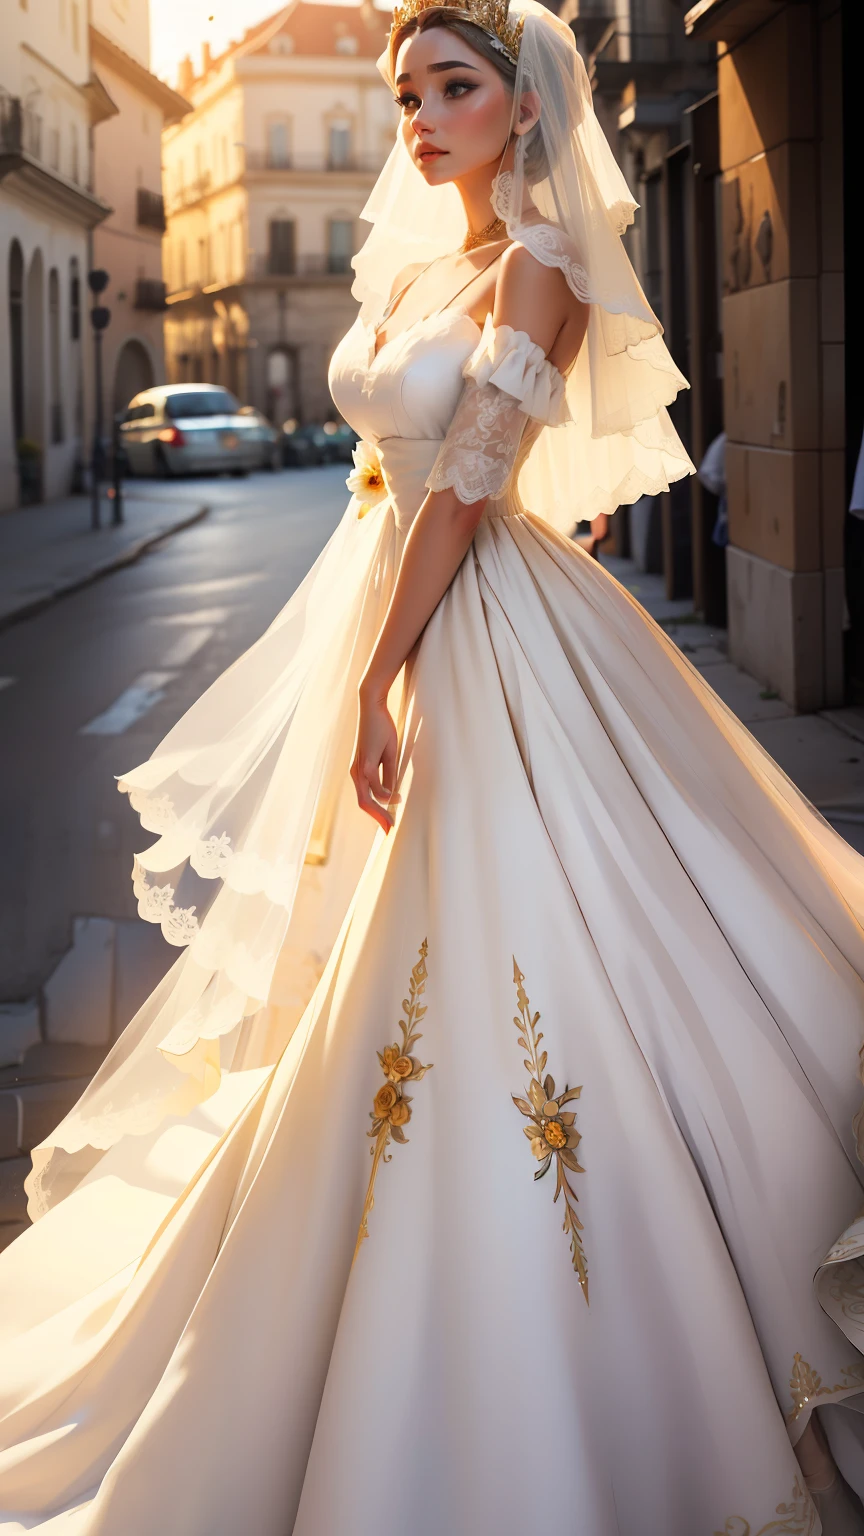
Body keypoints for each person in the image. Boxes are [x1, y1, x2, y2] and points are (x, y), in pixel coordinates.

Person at [2, 2, 864, 1531]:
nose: (417, 114)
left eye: (451, 86)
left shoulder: (543, 264)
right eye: (403, 90)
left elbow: (466, 490)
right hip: (400, 606)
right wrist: (363, 646)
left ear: (524, 107)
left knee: (538, 934)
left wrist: (384, 674)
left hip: (482, 629)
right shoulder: (412, 268)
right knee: (375, 967)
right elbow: (388, 476)